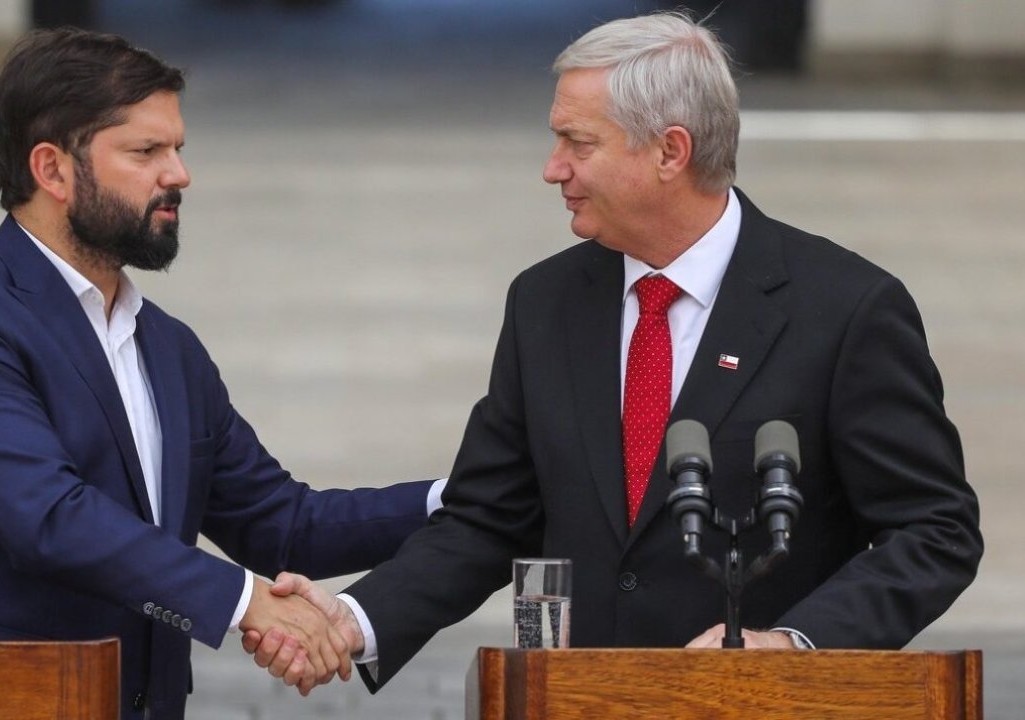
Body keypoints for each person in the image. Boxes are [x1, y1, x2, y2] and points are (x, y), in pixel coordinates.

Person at [248, 11, 983, 691]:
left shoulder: (846, 310)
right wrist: (354, 620)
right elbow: (490, 515)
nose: (553, 168)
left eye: (579, 143)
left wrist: (793, 644)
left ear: (670, 151)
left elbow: (935, 529)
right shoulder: (544, 303)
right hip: (576, 697)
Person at [0, 28, 445, 719]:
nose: (179, 174)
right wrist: (247, 602)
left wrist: (465, 498)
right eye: (146, 152)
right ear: (52, 170)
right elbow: (49, 518)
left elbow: (284, 524)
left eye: (177, 149)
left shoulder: (169, 347)